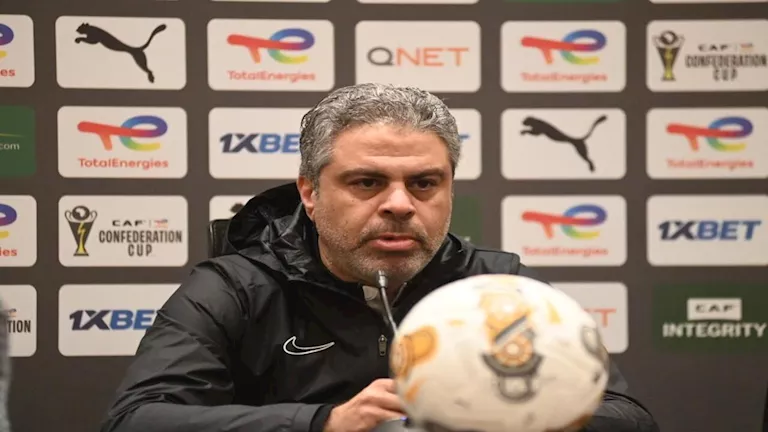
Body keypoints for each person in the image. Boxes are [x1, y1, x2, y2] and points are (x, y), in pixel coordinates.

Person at [100, 83, 659, 432]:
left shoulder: (499, 286)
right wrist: (323, 423)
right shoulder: (235, 287)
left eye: (424, 183)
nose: (399, 205)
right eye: (367, 182)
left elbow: (627, 416)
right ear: (310, 192)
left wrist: (501, 415)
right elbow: (135, 420)